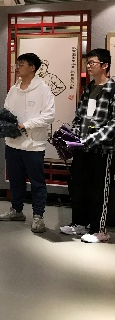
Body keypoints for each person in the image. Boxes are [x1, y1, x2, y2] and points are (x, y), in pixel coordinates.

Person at [0, 53, 55, 233]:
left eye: (21, 64)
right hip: (13, 142)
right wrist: (8, 124)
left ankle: (38, 216)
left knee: (37, 182)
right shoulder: (14, 89)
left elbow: (49, 116)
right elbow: (6, 110)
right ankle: (16, 210)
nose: (17, 67)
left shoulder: (43, 89)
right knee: (15, 180)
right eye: (17, 64)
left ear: (32, 67)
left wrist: (25, 125)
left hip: (34, 144)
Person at [60, 49, 114, 243]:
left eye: (93, 63)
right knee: (78, 186)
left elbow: (113, 124)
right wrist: (74, 136)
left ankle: (99, 230)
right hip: (82, 147)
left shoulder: (112, 89)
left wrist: (90, 139)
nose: (89, 66)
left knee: (98, 190)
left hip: (101, 149)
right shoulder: (89, 88)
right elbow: (80, 116)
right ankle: (79, 223)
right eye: (88, 63)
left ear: (105, 65)